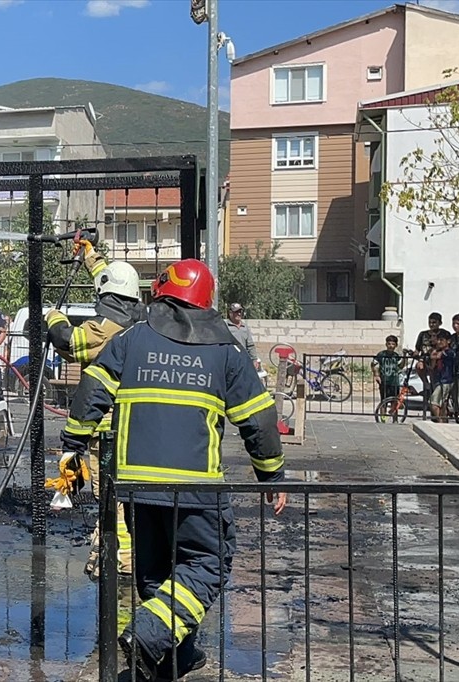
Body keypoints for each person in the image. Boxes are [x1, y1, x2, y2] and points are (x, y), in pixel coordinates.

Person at [58, 259, 287, 681]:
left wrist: (72, 449)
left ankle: (176, 656)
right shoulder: (225, 353)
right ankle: (149, 634)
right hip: (195, 489)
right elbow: (259, 419)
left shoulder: (131, 340)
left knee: (155, 572)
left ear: (162, 293)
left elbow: (92, 391)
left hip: (136, 487)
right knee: (207, 564)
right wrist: (271, 476)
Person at [45, 240, 144, 579]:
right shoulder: (139, 321)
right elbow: (111, 282)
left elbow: (68, 342)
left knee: (110, 498)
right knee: (130, 496)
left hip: (106, 428)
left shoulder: (102, 330)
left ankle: (120, 561)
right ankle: (114, 551)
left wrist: (54, 317)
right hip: (139, 427)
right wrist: (91, 257)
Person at [429, 331, 456, 422]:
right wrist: (433, 359)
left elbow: (443, 356)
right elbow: (432, 367)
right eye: (438, 340)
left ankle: (440, 420)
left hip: (446, 380)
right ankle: (442, 419)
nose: (439, 342)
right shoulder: (437, 352)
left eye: (442, 340)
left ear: (448, 341)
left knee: (434, 402)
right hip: (438, 379)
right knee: (442, 402)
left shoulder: (450, 352)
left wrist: (437, 355)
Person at [413, 312, 444, 391]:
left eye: (434, 322)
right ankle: (426, 383)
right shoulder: (422, 334)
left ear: (440, 323)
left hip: (438, 362)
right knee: (419, 366)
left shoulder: (444, 334)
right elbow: (417, 349)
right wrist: (416, 355)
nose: (431, 324)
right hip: (425, 361)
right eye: (430, 322)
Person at [225, 303, 261, 371]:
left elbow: (250, 345)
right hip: (230, 361)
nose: (239, 314)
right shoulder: (225, 327)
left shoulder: (245, 327)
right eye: (236, 312)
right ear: (230, 313)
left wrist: (254, 359)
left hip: (244, 360)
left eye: (240, 312)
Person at [372, 335, 404, 400]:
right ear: (386, 344)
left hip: (394, 382)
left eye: (393, 344)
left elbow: (400, 366)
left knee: (394, 401)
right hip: (384, 381)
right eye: (389, 344)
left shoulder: (396, 356)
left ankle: (392, 411)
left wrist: (405, 358)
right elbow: (374, 364)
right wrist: (377, 375)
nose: (391, 346)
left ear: (396, 345)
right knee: (383, 401)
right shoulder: (381, 354)